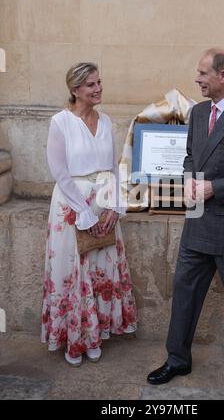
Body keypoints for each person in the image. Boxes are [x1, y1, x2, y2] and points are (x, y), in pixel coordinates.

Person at [147, 48, 224, 389]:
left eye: (203, 73)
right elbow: (190, 156)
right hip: (197, 224)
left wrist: (214, 187)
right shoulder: (199, 114)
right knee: (184, 293)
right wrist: (189, 179)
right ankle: (177, 359)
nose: (197, 79)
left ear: (223, 75)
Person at [41, 62, 137, 366]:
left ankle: (94, 336)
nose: (98, 89)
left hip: (103, 202)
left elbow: (112, 167)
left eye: (99, 82)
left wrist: (114, 205)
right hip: (72, 206)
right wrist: (84, 211)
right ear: (75, 89)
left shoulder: (106, 121)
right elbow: (59, 171)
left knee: (99, 271)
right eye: (90, 85)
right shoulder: (61, 122)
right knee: (72, 273)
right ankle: (73, 340)